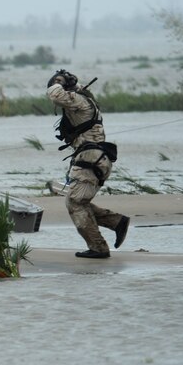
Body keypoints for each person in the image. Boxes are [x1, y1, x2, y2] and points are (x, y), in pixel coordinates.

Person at [46, 69, 130, 259]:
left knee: (75, 203)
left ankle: (99, 248)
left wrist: (57, 82)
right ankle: (117, 222)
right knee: (76, 201)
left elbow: (56, 94)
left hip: (91, 157)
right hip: (94, 157)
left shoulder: (79, 100)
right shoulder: (83, 100)